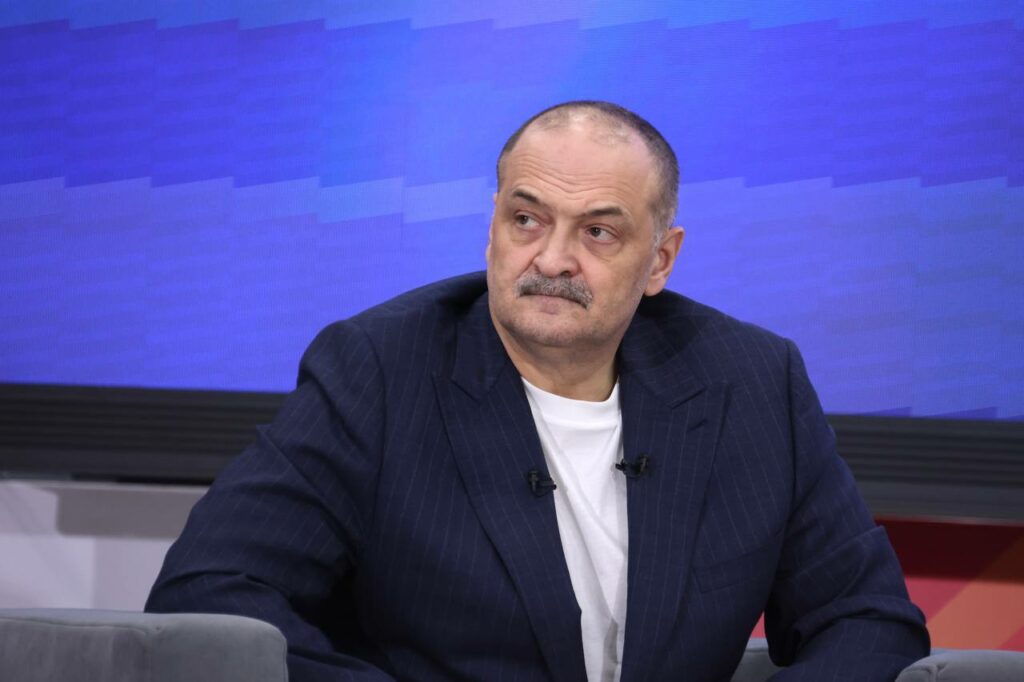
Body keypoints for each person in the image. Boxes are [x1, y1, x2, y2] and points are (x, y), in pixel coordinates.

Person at [147, 101, 929, 681]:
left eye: (598, 232)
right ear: (493, 222)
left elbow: (868, 620)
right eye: (527, 219)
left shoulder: (751, 382)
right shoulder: (378, 371)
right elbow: (209, 593)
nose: (551, 259)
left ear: (660, 260)